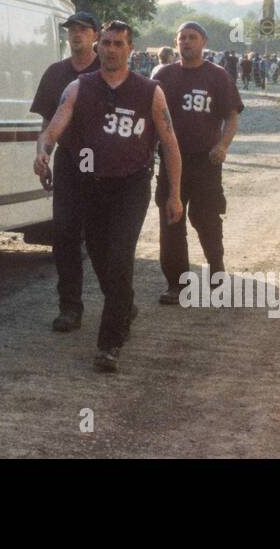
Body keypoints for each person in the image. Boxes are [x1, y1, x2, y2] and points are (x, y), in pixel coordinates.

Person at [35, 20, 183, 373]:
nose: (110, 49)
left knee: (119, 258)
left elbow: (170, 144)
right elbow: (54, 127)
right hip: (91, 185)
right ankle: (123, 303)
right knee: (101, 257)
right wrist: (42, 151)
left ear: (131, 49)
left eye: (118, 43)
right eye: (105, 43)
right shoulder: (79, 87)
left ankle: (109, 343)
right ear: (97, 46)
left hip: (130, 186)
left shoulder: (149, 91)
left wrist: (174, 194)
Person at [153, 22, 244, 304]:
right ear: (175, 42)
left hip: (204, 161)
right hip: (171, 160)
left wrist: (223, 146)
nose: (187, 42)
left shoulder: (217, 77)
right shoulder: (163, 76)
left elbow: (231, 116)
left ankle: (217, 271)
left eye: (192, 37)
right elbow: (149, 117)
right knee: (172, 219)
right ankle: (177, 285)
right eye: (182, 38)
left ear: (203, 41)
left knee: (206, 219)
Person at [29, 10, 101, 332]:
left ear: (95, 36)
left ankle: (120, 300)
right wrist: (43, 154)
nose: (76, 35)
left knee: (105, 239)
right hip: (71, 161)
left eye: (83, 30)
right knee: (65, 235)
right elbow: (47, 122)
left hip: (106, 165)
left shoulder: (109, 69)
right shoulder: (56, 73)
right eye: (71, 30)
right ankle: (69, 307)